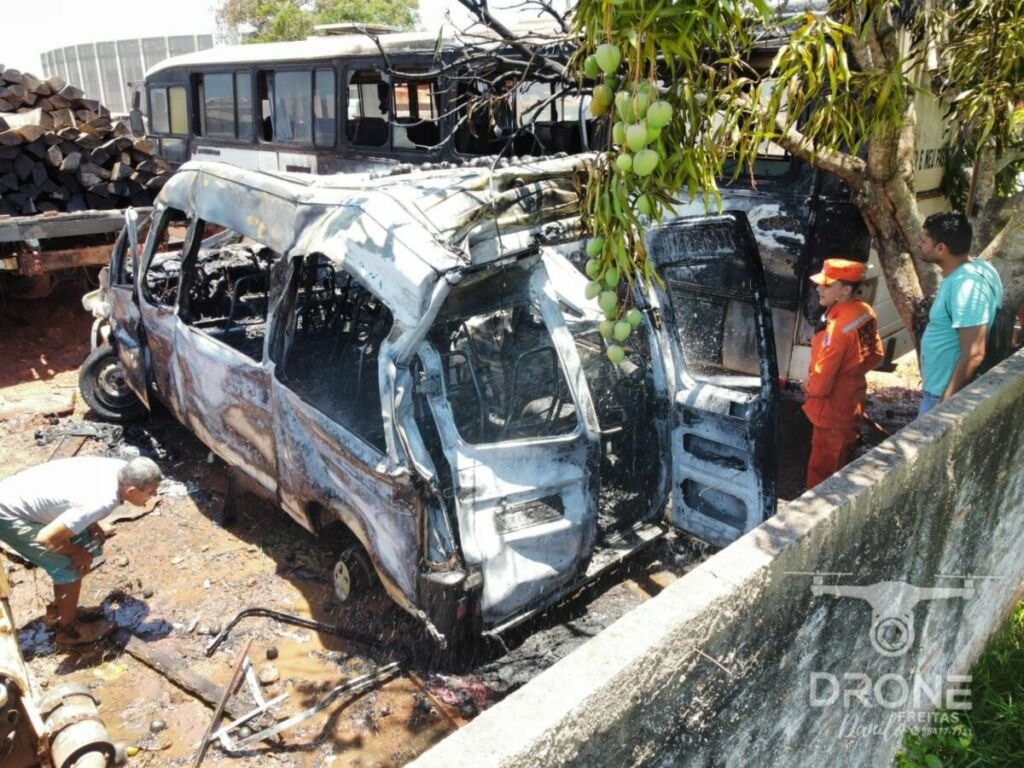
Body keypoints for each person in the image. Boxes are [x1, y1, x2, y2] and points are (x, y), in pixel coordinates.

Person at [0, 456, 162, 646]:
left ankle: (60, 612)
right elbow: (45, 538)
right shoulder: (101, 501)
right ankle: (69, 630)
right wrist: (76, 552)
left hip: (21, 495)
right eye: (151, 492)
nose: (155, 495)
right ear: (131, 490)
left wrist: (91, 524)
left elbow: (79, 496)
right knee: (68, 566)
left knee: (89, 543)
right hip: (8, 514)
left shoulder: (119, 468)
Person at [803, 259, 884, 489]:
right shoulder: (865, 312)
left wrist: (807, 385)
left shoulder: (837, 329)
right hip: (852, 399)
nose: (819, 288)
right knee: (842, 458)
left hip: (831, 410)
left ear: (845, 290)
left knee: (823, 472)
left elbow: (820, 387)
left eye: (827, 285)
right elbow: (876, 355)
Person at [918, 212, 1004, 416]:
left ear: (941, 248)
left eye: (923, 240)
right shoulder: (980, 267)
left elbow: (974, 353)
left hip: (943, 395)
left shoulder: (965, 286)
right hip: (940, 389)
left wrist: (943, 404)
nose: (918, 244)